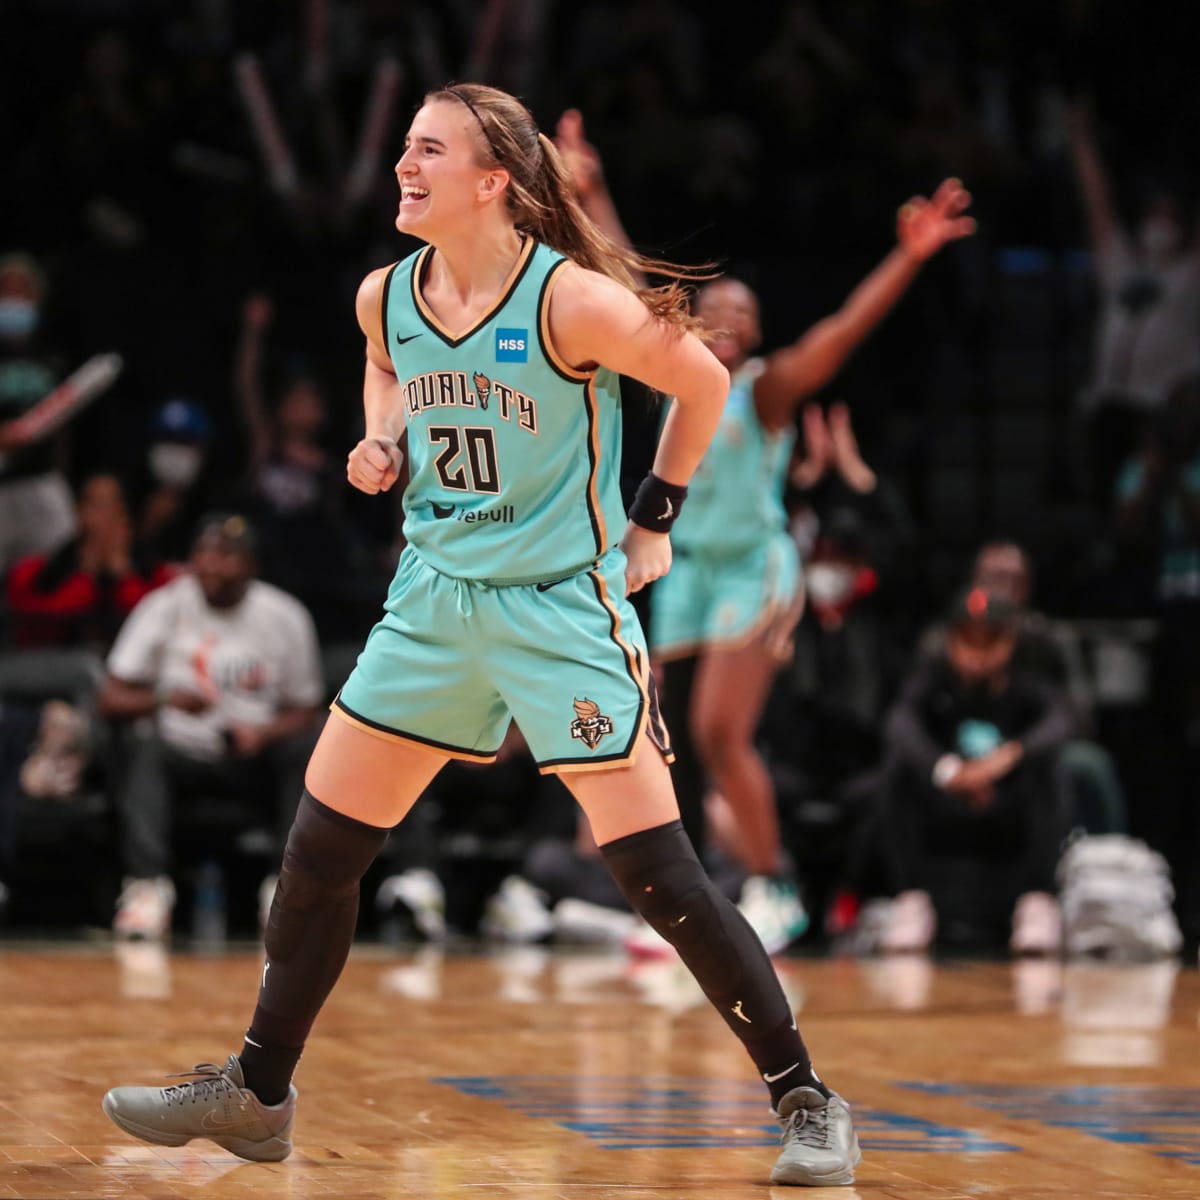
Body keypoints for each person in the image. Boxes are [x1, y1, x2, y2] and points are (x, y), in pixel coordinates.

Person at [100, 83, 861, 1186]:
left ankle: (807, 1100)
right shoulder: (386, 295)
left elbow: (699, 382)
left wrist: (655, 516)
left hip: (558, 606)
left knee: (660, 873)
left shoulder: (570, 303)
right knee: (319, 851)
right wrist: (380, 436)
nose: (402, 167)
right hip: (434, 600)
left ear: (493, 180)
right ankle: (259, 1093)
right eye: (405, 148)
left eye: (426, 149)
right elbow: (384, 362)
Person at [556, 108, 975, 953]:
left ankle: (774, 884)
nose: (734, 316)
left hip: (755, 568)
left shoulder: (769, 390)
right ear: (699, 322)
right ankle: (666, 890)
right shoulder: (674, 373)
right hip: (684, 567)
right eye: (721, 306)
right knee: (650, 729)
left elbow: (845, 330)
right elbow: (626, 274)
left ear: (757, 333)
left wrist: (909, 254)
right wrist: (593, 189)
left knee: (720, 732)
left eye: (747, 309)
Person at [99, 513, 322, 940]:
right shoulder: (165, 605)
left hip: (254, 756)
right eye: (203, 553)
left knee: (311, 746)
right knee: (144, 744)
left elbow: (305, 709)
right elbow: (110, 697)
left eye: (226, 555)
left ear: (252, 565)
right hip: (183, 752)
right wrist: (166, 698)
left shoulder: (284, 615)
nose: (213, 565)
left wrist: (263, 734)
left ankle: (284, 891)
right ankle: (147, 891)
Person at [878, 587, 1075, 955]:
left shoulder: (1028, 686)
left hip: (1009, 803)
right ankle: (911, 900)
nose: (977, 654)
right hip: (947, 800)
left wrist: (1007, 759)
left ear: (1009, 643)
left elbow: (1062, 721)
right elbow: (899, 723)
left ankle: (1037, 902)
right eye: (968, 641)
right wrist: (946, 770)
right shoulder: (933, 681)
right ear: (951, 642)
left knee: (1055, 772)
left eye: (990, 642)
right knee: (895, 771)